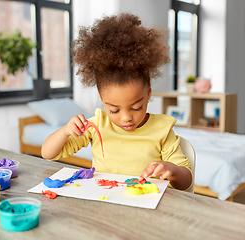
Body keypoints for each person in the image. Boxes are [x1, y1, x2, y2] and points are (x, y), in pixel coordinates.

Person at [41, 13, 192, 190]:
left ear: (149, 92)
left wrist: (172, 170)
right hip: (105, 204)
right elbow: (47, 153)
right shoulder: (97, 125)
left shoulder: (162, 130)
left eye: (137, 107)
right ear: (102, 100)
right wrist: (66, 131)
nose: (127, 117)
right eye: (114, 110)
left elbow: (186, 181)